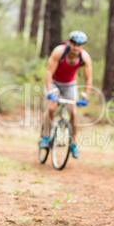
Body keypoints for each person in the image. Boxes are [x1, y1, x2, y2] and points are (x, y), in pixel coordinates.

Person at [39, 31, 92, 159]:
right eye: (74, 44)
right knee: (51, 107)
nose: (76, 47)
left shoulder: (84, 58)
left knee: (73, 112)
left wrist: (85, 96)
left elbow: (88, 78)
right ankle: (45, 137)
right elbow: (48, 72)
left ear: (83, 46)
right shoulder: (59, 51)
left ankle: (73, 144)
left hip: (70, 84)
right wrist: (50, 92)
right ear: (69, 42)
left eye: (79, 45)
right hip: (54, 83)